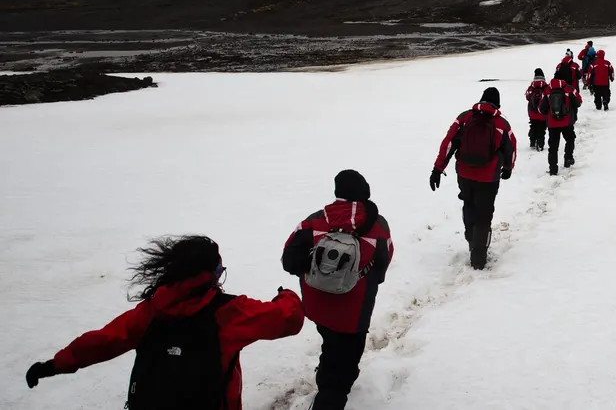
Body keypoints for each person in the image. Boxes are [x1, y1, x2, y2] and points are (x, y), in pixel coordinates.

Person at [26, 235, 303, 410]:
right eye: (218, 270)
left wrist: (54, 365)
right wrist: (286, 295)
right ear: (209, 275)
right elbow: (289, 320)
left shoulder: (152, 311)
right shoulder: (230, 312)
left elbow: (102, 341)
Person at [281, 170, 393, 410]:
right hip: (355, 312)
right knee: (344, 367)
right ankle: (330, 395)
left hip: (318, 306)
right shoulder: (378, 226)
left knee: (330, 342)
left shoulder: (314, 221)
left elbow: (289, 260)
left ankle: (327, 379)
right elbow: (384, 263)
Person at [430, 87, 517, 269]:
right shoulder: (502, 124)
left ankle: (472, 241)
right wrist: (508, 168)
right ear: (497, 103)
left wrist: (438, 169)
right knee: (484, 214)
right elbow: (511, 148)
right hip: (489, 177)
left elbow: (448, 143)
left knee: (469, 205)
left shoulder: (464, 118)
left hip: (464, 173)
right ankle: (479, 257)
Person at [539, 75, 582, 175]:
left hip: (552, 124)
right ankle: (568, 158)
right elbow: (579, 102)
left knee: (553, 147)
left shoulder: (547, 91)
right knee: (570, 139)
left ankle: (553, 169)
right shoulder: (569, 89)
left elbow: (541, 109)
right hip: (567, 122)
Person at [525, 68, 549, 151]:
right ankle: (540, 144)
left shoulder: (532, 87)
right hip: (542, 112)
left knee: (533, 126)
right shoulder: (546, 87)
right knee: (542, 129)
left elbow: (527, 97)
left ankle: (532, 141)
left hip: (532, 112)